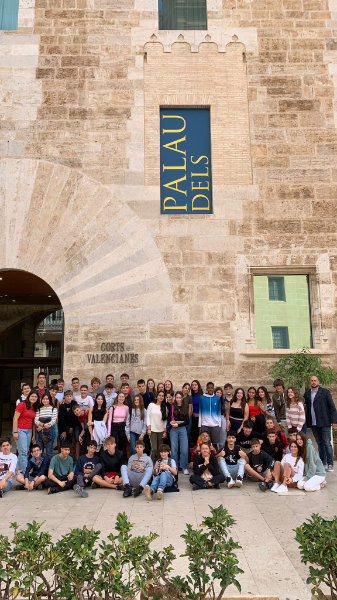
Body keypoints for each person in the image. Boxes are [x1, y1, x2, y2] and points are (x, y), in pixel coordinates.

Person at [304, 375, 337, 471]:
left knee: (327, 443)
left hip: (325, 422)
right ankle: (323, 462)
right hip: (313, 423)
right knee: (319, 443)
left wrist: (334, 420)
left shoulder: (325, 392)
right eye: (312, 381)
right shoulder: (307, 394)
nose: (313, 382)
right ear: (310, 382)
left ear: (318, 382)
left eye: (315, 380)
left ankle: (330, 464)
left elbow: (332, 407)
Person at [13, 390, 39, 474]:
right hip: (20, 429)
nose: (33, 398)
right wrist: (15, 431)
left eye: (35, 397)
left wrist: (34, 435)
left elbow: (34, 423)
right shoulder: (22, 404)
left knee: (25, 451)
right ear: (29, 396)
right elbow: (15, 418)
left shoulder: (35, 407)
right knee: (23, 452)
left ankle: (19, 469)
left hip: (29, 430)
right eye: (32, 396)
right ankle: (26, 472)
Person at [169, 391, 189, 474]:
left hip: (182, 428)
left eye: (179, 397)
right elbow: (169, 418)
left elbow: (187, 421)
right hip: (173, 428)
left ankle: (184, 467)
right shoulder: (172, 406)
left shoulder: (185, 407)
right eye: (176, 397)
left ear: (182, 398)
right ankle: (175, 466)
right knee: (174, 449)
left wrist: (179, 425)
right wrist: (171, 422)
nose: (178, 399)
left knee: (184, 448)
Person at [34, 392, 58, 460]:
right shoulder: (39, 409)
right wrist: (44, 425)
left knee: (49, 452)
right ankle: (40, 467)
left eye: (47, 399)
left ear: (49, 400)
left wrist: (42, 427)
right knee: (39, 451)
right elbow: (36, 420)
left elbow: (53, 421)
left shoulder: (54, 409)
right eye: (43, 399)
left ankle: (49, 468)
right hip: (39, 433)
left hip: (49, 432)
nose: (45, 400)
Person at [146, 390, 168, 462]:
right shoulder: (151, 405)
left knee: (160, 450)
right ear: (157, 396)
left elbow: (165, 420)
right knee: (154, 449)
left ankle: (159, 465)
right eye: (159, 395)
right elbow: (148, 417)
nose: (161, 397)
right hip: (152, 430)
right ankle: (150, 464)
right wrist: (149, 428)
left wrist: (165, 432)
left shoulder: (165, 407)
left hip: (161, 430)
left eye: (162, 396)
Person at [198, 382, 222, 448]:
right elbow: (200, 412)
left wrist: (219, 424)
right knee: (204, 443)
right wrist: (200, 425)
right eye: (209, 388)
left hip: (215, 425)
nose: (210, 389)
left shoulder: (217, 398)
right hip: (205, 424)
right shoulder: (202, 398)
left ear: (213, 389)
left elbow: (219, 412)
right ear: (206, 388)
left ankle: (215, 457)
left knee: (214, 444)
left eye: (212, 388)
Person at [190, 380, 203, 447]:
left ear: (198, 386)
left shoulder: (202, 396)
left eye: (195, 385)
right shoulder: (191, 396)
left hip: (200, 418)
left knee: (200, 434)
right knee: (194, 435)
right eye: (192, 385)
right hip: (193, 418)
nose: (194, 386)